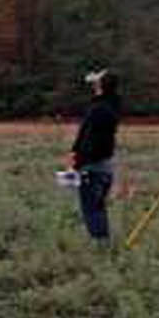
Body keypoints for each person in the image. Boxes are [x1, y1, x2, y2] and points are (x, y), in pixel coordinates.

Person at [68, 69, 121, 244]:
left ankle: (101, 245)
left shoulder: (98, 109)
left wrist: (78, 162)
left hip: (92, 166)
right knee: (98, 207)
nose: (93, 84)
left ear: (101, 86)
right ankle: (103, 242)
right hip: (105, 166)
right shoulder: (110, 106)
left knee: (91, 209)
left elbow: (90, 140)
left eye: (97, 82)